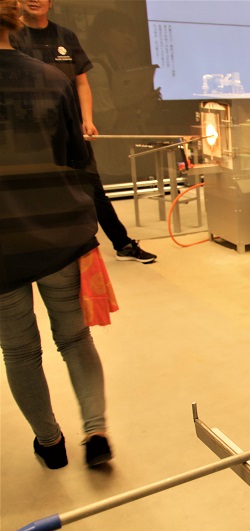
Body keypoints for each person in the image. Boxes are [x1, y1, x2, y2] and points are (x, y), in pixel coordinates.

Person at [0, 0, 112, 469]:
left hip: (3, 245)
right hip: (59, 234)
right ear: (15, 20)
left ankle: (50, 443)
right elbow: (76, 159)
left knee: (20, 350)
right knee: (75, 338)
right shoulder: (52, 80)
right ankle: (96, 431)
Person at [10, 0, 157, 264]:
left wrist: (87, 120)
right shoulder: (12, 36)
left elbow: (82, 82)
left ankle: (123, 244)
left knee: (92, 188)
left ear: (50, 3)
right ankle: (43, 253)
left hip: (70, 129)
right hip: (30, 135)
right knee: (37, 192)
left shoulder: (65, 36)